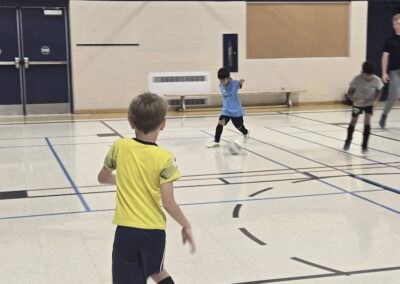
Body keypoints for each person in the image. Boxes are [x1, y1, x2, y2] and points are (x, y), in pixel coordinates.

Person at [98, 92, 195, 284]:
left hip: (126, 231)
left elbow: (103, 177)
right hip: (153, 232)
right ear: (163, 124)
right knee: (157, 272)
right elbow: (168, 202)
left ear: (130, 122)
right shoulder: (165, 158)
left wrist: (126, 178)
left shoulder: (120, 146)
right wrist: (186, 224)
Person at [344, 61, 383, 154]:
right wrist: (353, 99)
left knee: (367, 122)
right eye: (367, 75)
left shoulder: (377, 80)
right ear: (363, 72)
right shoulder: (357, 79)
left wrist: (375, 101)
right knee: (353, 121)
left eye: (371, 75)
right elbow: (349, 92)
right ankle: (348, 140)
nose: (369, 77)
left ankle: (364, 145)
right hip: (358, 103)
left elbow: (379, 91)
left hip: (369, 103)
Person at [207, 67, 249, 148]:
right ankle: (216, 141)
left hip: (236, 110)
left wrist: (240, 83)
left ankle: (246, 132)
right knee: (220, 123)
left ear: (228, 78)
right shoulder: (221, 85)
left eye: (223, 80)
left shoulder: (234, 83)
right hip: (226, 110)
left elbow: (238, 85)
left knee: (239, 126)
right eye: (220, 80)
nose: (222, 82)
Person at [379, 13, 400, 128]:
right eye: (395, 24)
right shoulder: (390, 40)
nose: (397, 26)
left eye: (399, 23)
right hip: (395, 72)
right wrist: (384, 72)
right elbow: (385, 56)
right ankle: (384, 115)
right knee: (394, 96)